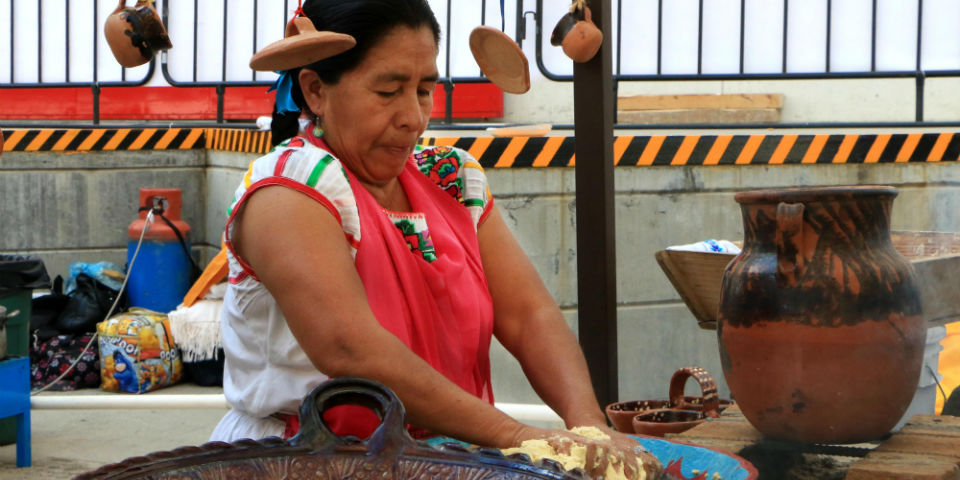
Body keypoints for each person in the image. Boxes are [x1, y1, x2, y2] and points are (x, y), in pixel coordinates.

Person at [211, 1, 656, 477]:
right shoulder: (289, 191)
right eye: (388, 91)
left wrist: (587, 429)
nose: (413, 117)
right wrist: (519, 438)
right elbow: (349, 350)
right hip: (306, 461)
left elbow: (528, 315)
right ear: (316, 91)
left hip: (443, 460)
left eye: (424, 90)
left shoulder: (450, 177)